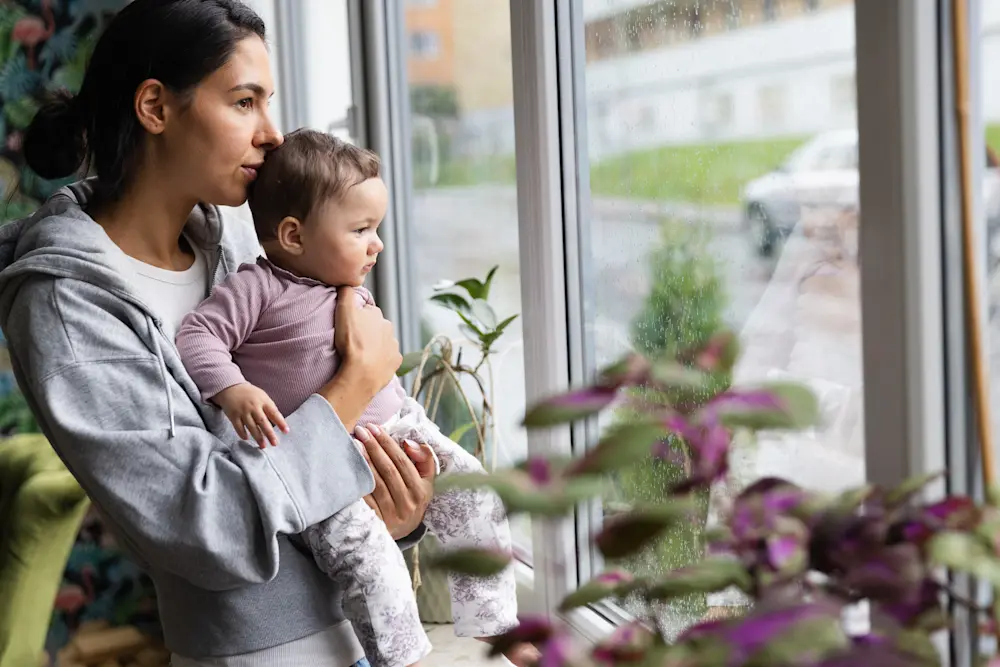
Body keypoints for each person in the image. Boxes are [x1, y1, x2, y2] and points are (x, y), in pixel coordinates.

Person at [0, 2, 433, 666]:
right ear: (155, 107)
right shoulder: (65, 305)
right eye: (244, 102)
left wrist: (387, 515)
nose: (274, 135)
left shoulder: (232, 238)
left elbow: (312, 461)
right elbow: (208, 524)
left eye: (270, 102)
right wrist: (353, 386)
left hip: (364, 628)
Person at [175, 129, 539, 667]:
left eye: (377, 228)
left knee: (476, 495)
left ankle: (497, 627)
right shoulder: (258, 287)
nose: (378, 244)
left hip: (400, 429)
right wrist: (234, 389)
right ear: (294, 235)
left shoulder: (347, 286)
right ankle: (405, 659)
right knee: (370, 561)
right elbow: (196, 337)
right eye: (362, 229)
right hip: (320, 465)